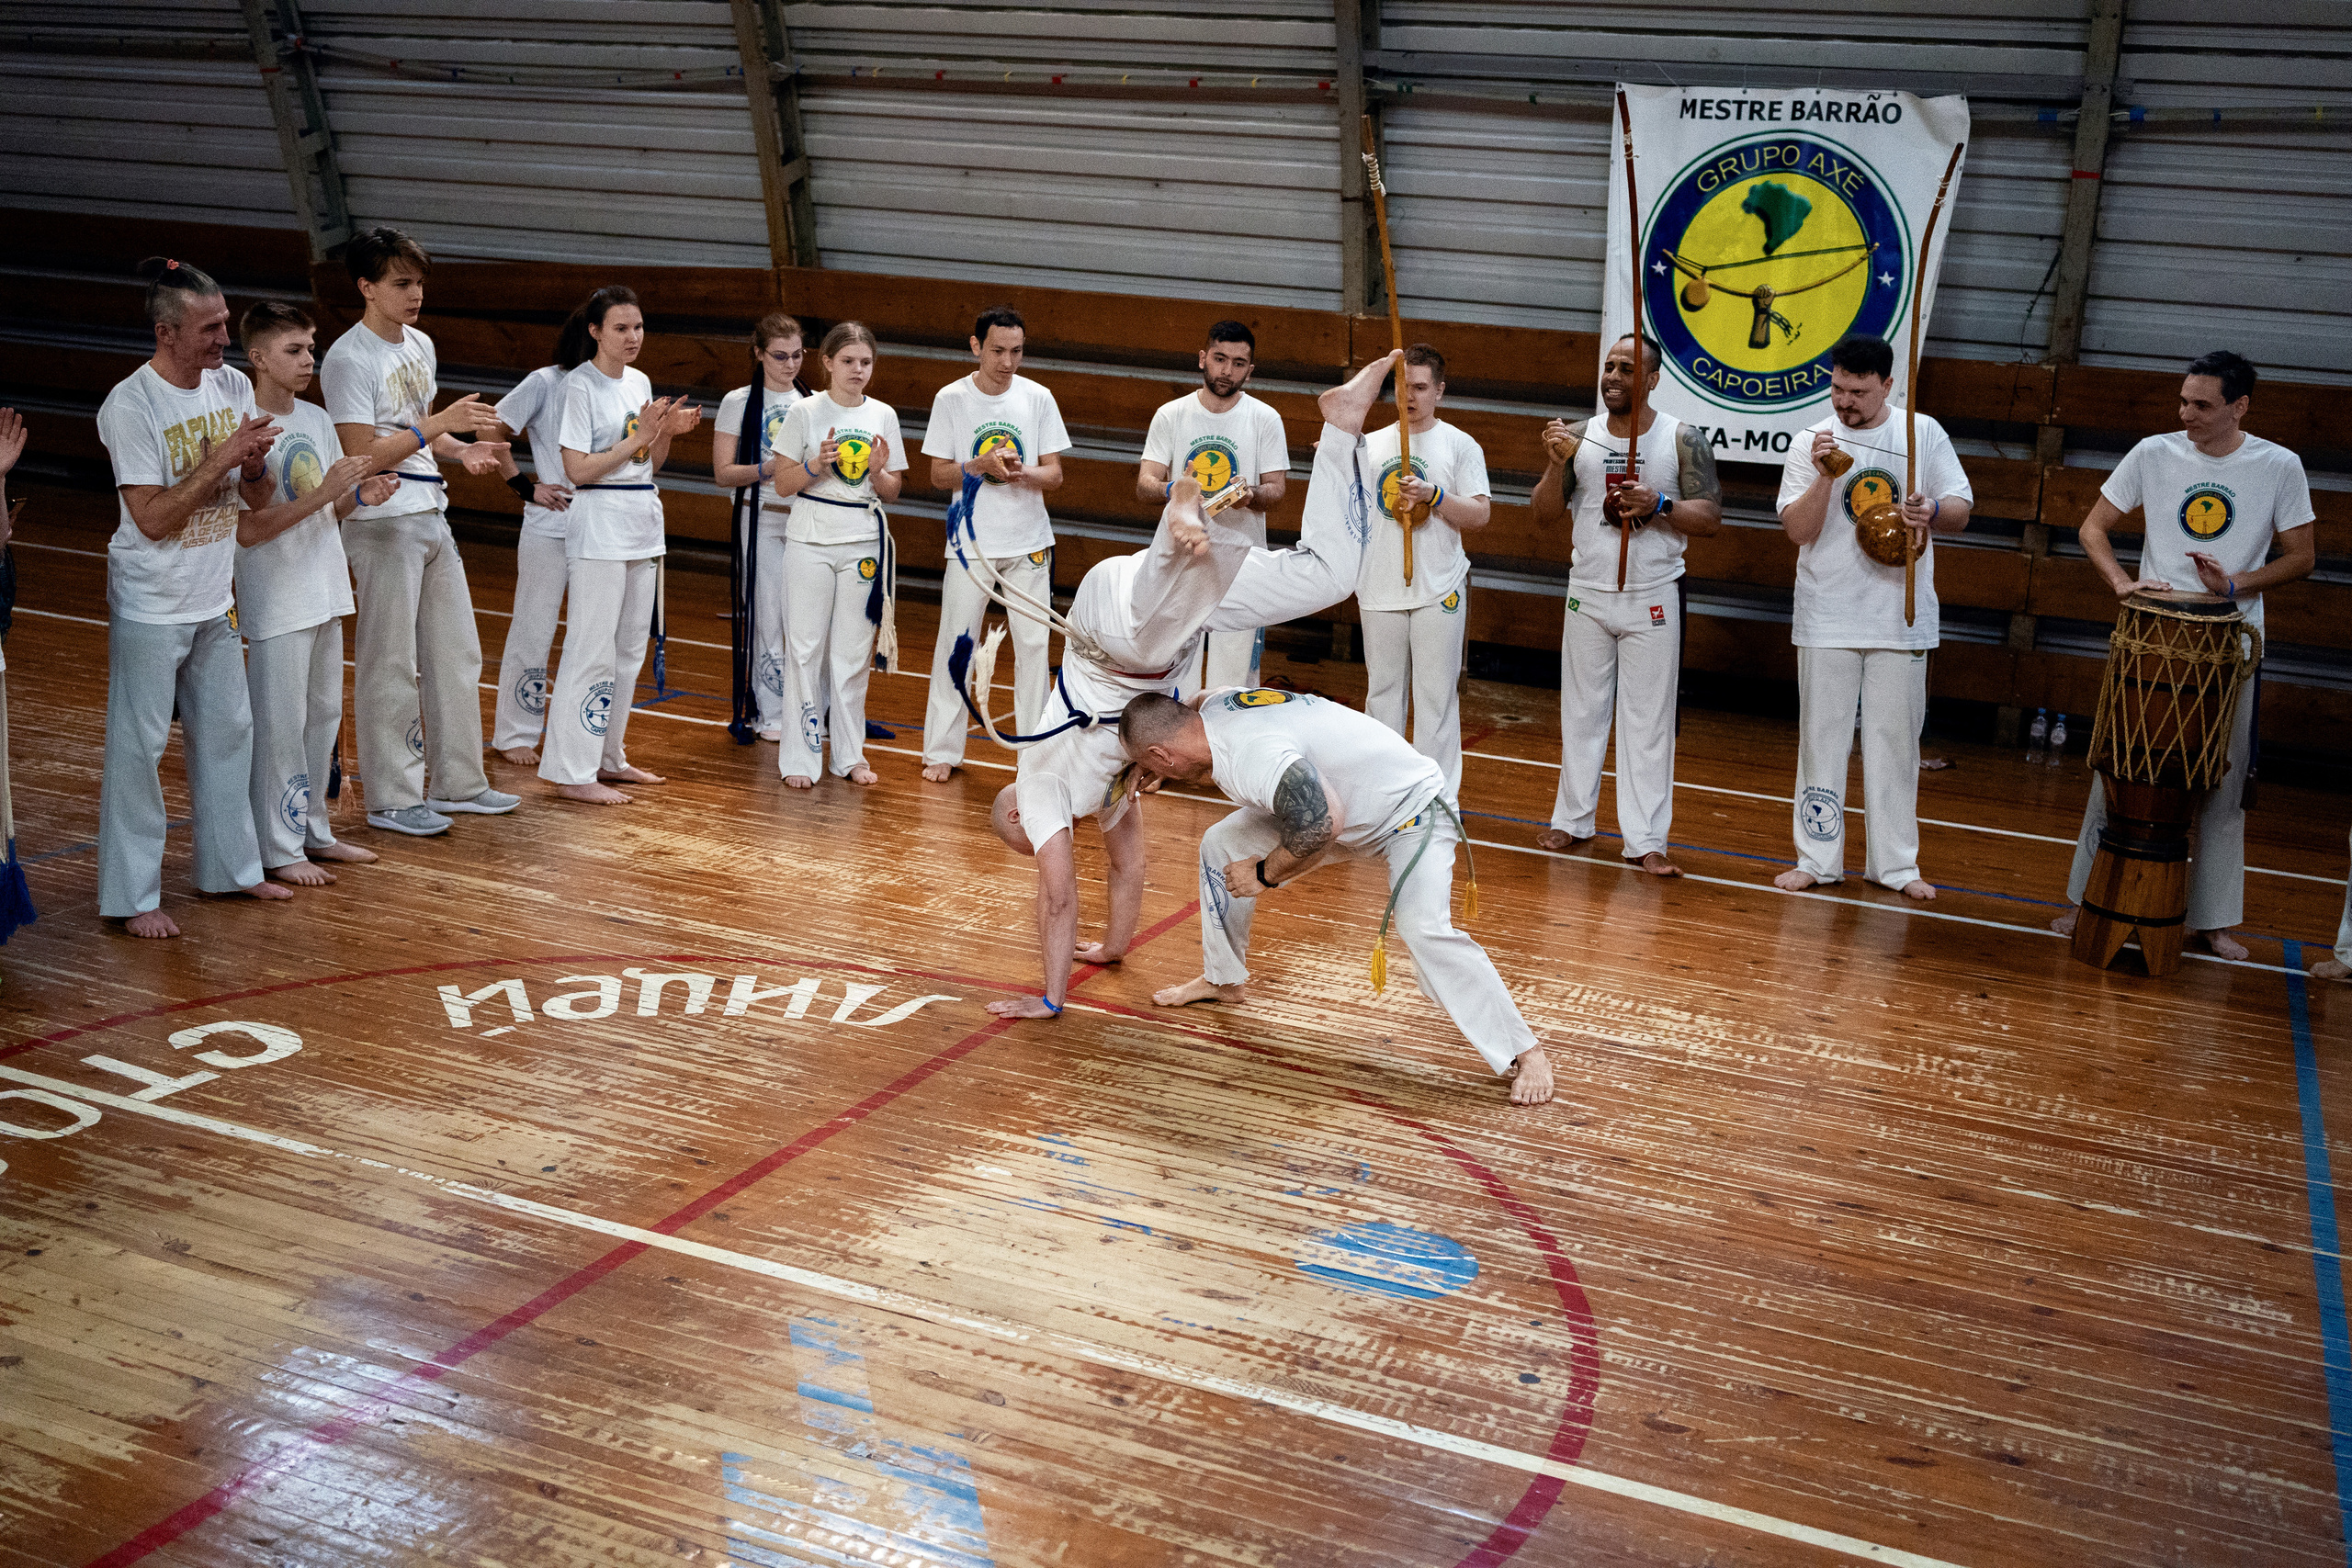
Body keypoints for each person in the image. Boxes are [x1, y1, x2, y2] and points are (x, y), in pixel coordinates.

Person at [982, 352, 1396, 1021]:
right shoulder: (1108, 790)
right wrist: (1113, 949)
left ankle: (1181, 502)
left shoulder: (1036, 786)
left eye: (1028, 837)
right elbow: (1128, 869)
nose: (1049, 840)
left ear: (1016, 816)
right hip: (1176, 623)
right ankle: (1343, 428)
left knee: (1150, 632)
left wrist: (1052, 997)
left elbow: (1058, 895)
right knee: (1329, 576)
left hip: (1114, 624)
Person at [1119, 688, 1555, 1107]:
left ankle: (1526, 1050)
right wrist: (1151, 761)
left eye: (1149, 764)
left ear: (1163, 755)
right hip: (1349, 810)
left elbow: (1322, 823)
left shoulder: (1252, 756)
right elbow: (1194, 699)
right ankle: (1224, 979)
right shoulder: (1211, 708)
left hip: (1411, 811)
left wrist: (1262, 875)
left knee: (1421, 927)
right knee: (1220, 844)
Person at [2049, 351, 2316, 963]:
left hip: (2231, 642)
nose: (2186, 413)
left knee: (2223, 785)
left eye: (2202, 405)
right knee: (2118, 771)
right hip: (2153, 638)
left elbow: (2302, 556)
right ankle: (2085, 900)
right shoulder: (2153, 452)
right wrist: (2120, 581)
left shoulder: (2279, 465)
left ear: (2239, 406)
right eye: (2183, 401)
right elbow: (2094, 528)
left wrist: (2236, 584)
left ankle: (2213, 920)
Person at [96, 258, 292, 937]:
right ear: (166, 331)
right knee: (139, 748)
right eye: (208, 328)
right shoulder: (131, 405)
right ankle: (131, 896)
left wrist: (255, 464)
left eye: (223, 324)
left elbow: (256, 496)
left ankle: (230, 870)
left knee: (229, 733)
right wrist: (221, 457)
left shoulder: (231, 383)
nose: (222, 339)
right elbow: (150, 518)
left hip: (214, 596)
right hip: (152, 602)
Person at [319, 226, 517, 837]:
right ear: (366, 287)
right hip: (381, 522)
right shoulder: (348, 358)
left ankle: (459, 780)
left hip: (431, 513)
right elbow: (360, 454)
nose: (415, 294)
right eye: (402, 282)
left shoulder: (420, 345)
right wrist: (438, 427)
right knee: (390, 661)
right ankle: (391, 795)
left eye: (419, 282)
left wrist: (459, 451)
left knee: (456, 652)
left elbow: (419, 432)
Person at [1771, 333, 1973, 902]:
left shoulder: (1922, 431)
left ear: (1887, 385)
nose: (1845, 402)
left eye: (1858, 392)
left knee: (1895, 744)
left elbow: (1961, 506)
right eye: (1837, 388)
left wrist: (1930, 510)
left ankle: (1896, 866)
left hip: (1899, 618)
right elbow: (1798, 532)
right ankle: (1817, 857)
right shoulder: (1811, 439)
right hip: (1827, 614)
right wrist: (1825, 475)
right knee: (1822, 742)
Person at [1530, 333, 1723, 875]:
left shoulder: (1681, 439)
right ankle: (1572, 820)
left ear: (1653, 379)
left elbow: (1710, 519)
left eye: (1627, 369)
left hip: (1652, 595)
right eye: (1609, 366)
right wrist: (1552, 465)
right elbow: (1543, 515)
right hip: (1588, 592)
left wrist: (1660, 504)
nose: (1613, 376)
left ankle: (1645, 840)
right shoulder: (1577, 438)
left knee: (1648, 722)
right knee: (1581, 713)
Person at [234, 301, 399, 886]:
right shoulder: (240, 423)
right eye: (293, 351)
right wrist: (330, 491)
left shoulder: (317, 418)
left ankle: (314, 831)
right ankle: (278, 847)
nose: (308, 360)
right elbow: (253, 526)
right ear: (257, 358)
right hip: (275, 592)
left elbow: (330, 504)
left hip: (324, 585)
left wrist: (361, 496)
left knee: (322, 719)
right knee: (279, 724)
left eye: (310, 348)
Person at [539, 287, 701, 805]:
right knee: (591, 647)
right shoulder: (579, 387)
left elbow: (646, 465)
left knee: (630, 649)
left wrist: (667, 433)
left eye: (638, 328)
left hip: (640, 519)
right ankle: (571, 771)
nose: (633, 338)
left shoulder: (640, 381)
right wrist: (639, 437)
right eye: (621, 329)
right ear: (595, 332)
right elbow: (577, 469)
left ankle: (609, 757)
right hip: (599, 522)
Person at [920, 305, 1070, 781]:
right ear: (975, 346)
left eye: (1017, 351)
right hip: (970, 545)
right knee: (957, 643)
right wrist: (979, 465)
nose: (1008, 362)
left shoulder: (1038, 397)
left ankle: (1036, 758)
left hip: (1029, 543)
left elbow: (1056, 475)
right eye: (998, 351)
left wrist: (1023, 471)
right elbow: (937, 473)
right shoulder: (952, 399)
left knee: (1032, 648)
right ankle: (942, 751)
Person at [764, 321, 906, 788]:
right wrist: (815, 465)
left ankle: (849, 755)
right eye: (848, 361)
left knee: (850, 654)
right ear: (826, 362)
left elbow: (893, 490)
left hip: (862, 540)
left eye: (865, 362)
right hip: (809, 539)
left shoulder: (883, 414)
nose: (858, 370)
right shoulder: (804, 412)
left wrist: (881, 472)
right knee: (804, 650)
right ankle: (800, 759)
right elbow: (783, 484)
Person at [1354, 344, 1491, 800]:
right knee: (1383, 695)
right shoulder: (1368, 445)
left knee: (1436, 699)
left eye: (1418, 387)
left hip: (1438, 589)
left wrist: (1434, 495)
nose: (1408, 396)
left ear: (1439, 391)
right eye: (1399, 386)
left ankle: (1437, 799)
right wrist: (1334, 459)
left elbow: (1478, 516)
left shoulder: (1460, 444)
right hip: (1379, 587)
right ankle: (1382, 797)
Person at [1136, 321, 1290, 692]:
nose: (1227, 370)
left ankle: (1224, 752)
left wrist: (1251, 494)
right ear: (1203, 358)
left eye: (1238, 363)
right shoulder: (1171, 414)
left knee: (1233, 685)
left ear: (1249, 372)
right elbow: (1145, 485)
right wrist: (1177, 487)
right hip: (1180, 561)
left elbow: (1277, 490)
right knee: (1174, 678)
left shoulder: (1265, 419)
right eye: (1220, 359)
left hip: (1241, 566)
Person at [482, 310, 585, 766]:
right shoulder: (545, 382)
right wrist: (526, 487)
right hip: (551, 525)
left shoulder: (621, 385)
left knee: (591, 636)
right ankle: (514, 733)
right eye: (618, 328)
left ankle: (579, 733)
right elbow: (492, 429)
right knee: (534, 627)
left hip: (602, 527)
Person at [712, 313, 807, 742]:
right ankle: (770, 713)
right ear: (758, 354)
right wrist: (769, 467)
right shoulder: (739, 401)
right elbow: (722, 473)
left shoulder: (814, 399)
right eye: (780, 356)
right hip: (762, 517)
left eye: (798, 355)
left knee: (807, 619)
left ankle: (812, 707)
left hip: (807, 520)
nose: (790, 365)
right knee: (769, 614)